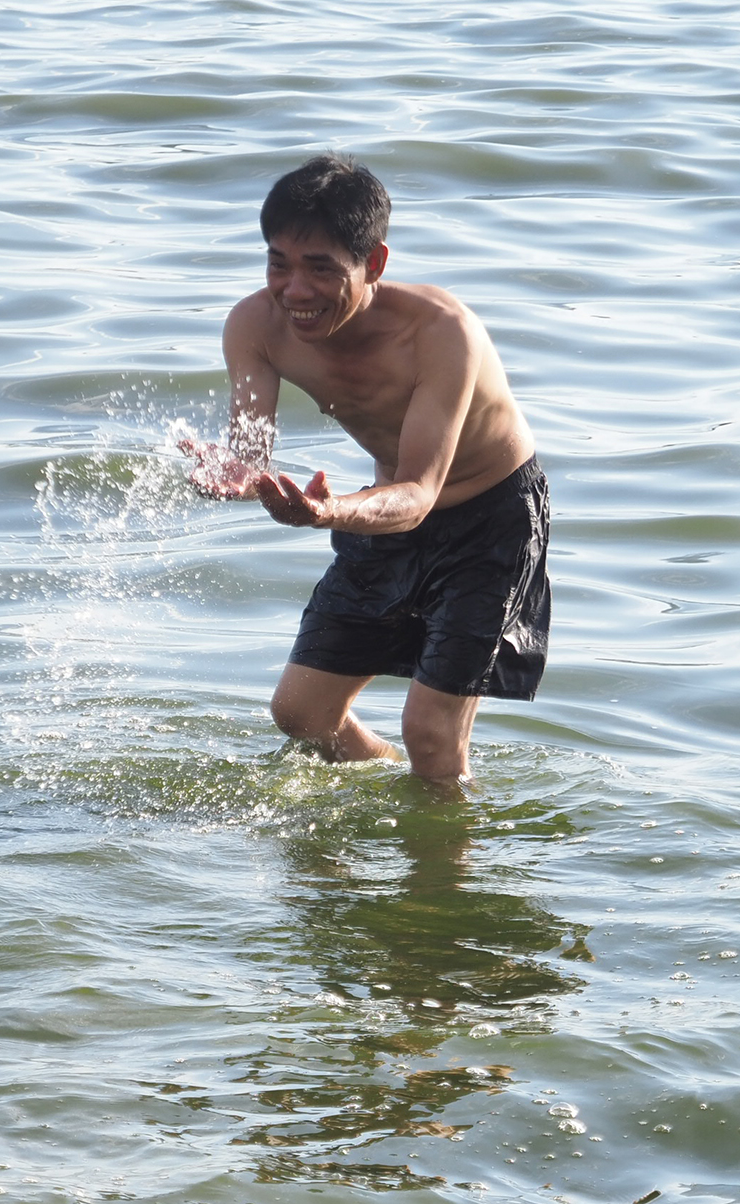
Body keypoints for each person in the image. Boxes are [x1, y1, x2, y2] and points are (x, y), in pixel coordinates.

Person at [185, 152, 551, 783]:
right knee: (302, 714)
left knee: (430, 733)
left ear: (374, 263)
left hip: (489, 521)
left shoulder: (441, 333)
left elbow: (421, 493)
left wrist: (330, 512)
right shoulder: (255, 326)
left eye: (321, 269)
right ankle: (388, 790)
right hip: (380, 511)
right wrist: (239, 475)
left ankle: (445, 873)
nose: (295, 291)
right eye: (279, 263)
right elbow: (250, 456)